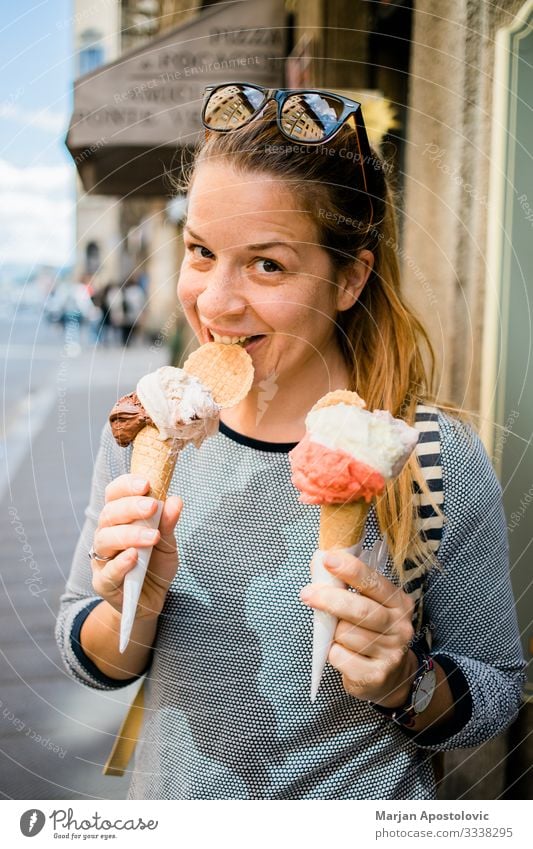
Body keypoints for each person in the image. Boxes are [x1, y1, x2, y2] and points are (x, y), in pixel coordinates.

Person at [56, 84, 525, 800]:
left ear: (350, 278)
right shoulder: (150, 422)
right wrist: (129, 609)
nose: (214, 302)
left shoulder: (432, 456)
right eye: (200, 251)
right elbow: (85, 647)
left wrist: (406, 680)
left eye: (266, 264)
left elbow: (496, 693)